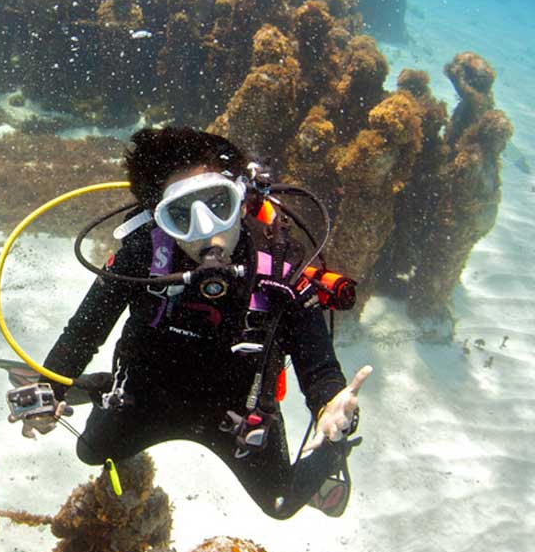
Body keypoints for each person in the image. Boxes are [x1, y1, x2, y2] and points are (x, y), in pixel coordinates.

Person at [23, 127, 371, 520]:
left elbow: (318, 364)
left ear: (242, 201)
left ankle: (334, 453)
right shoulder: (141, 256)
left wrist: (330, 407)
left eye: (218, 203)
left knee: (281, 504)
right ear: (160, 219)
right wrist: (49, 387)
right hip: (145, 395)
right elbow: (84, 330)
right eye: (182, 214)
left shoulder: (280, 266)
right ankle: (102, 386)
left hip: (237, 416)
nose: (206, 227)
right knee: (89, 452)